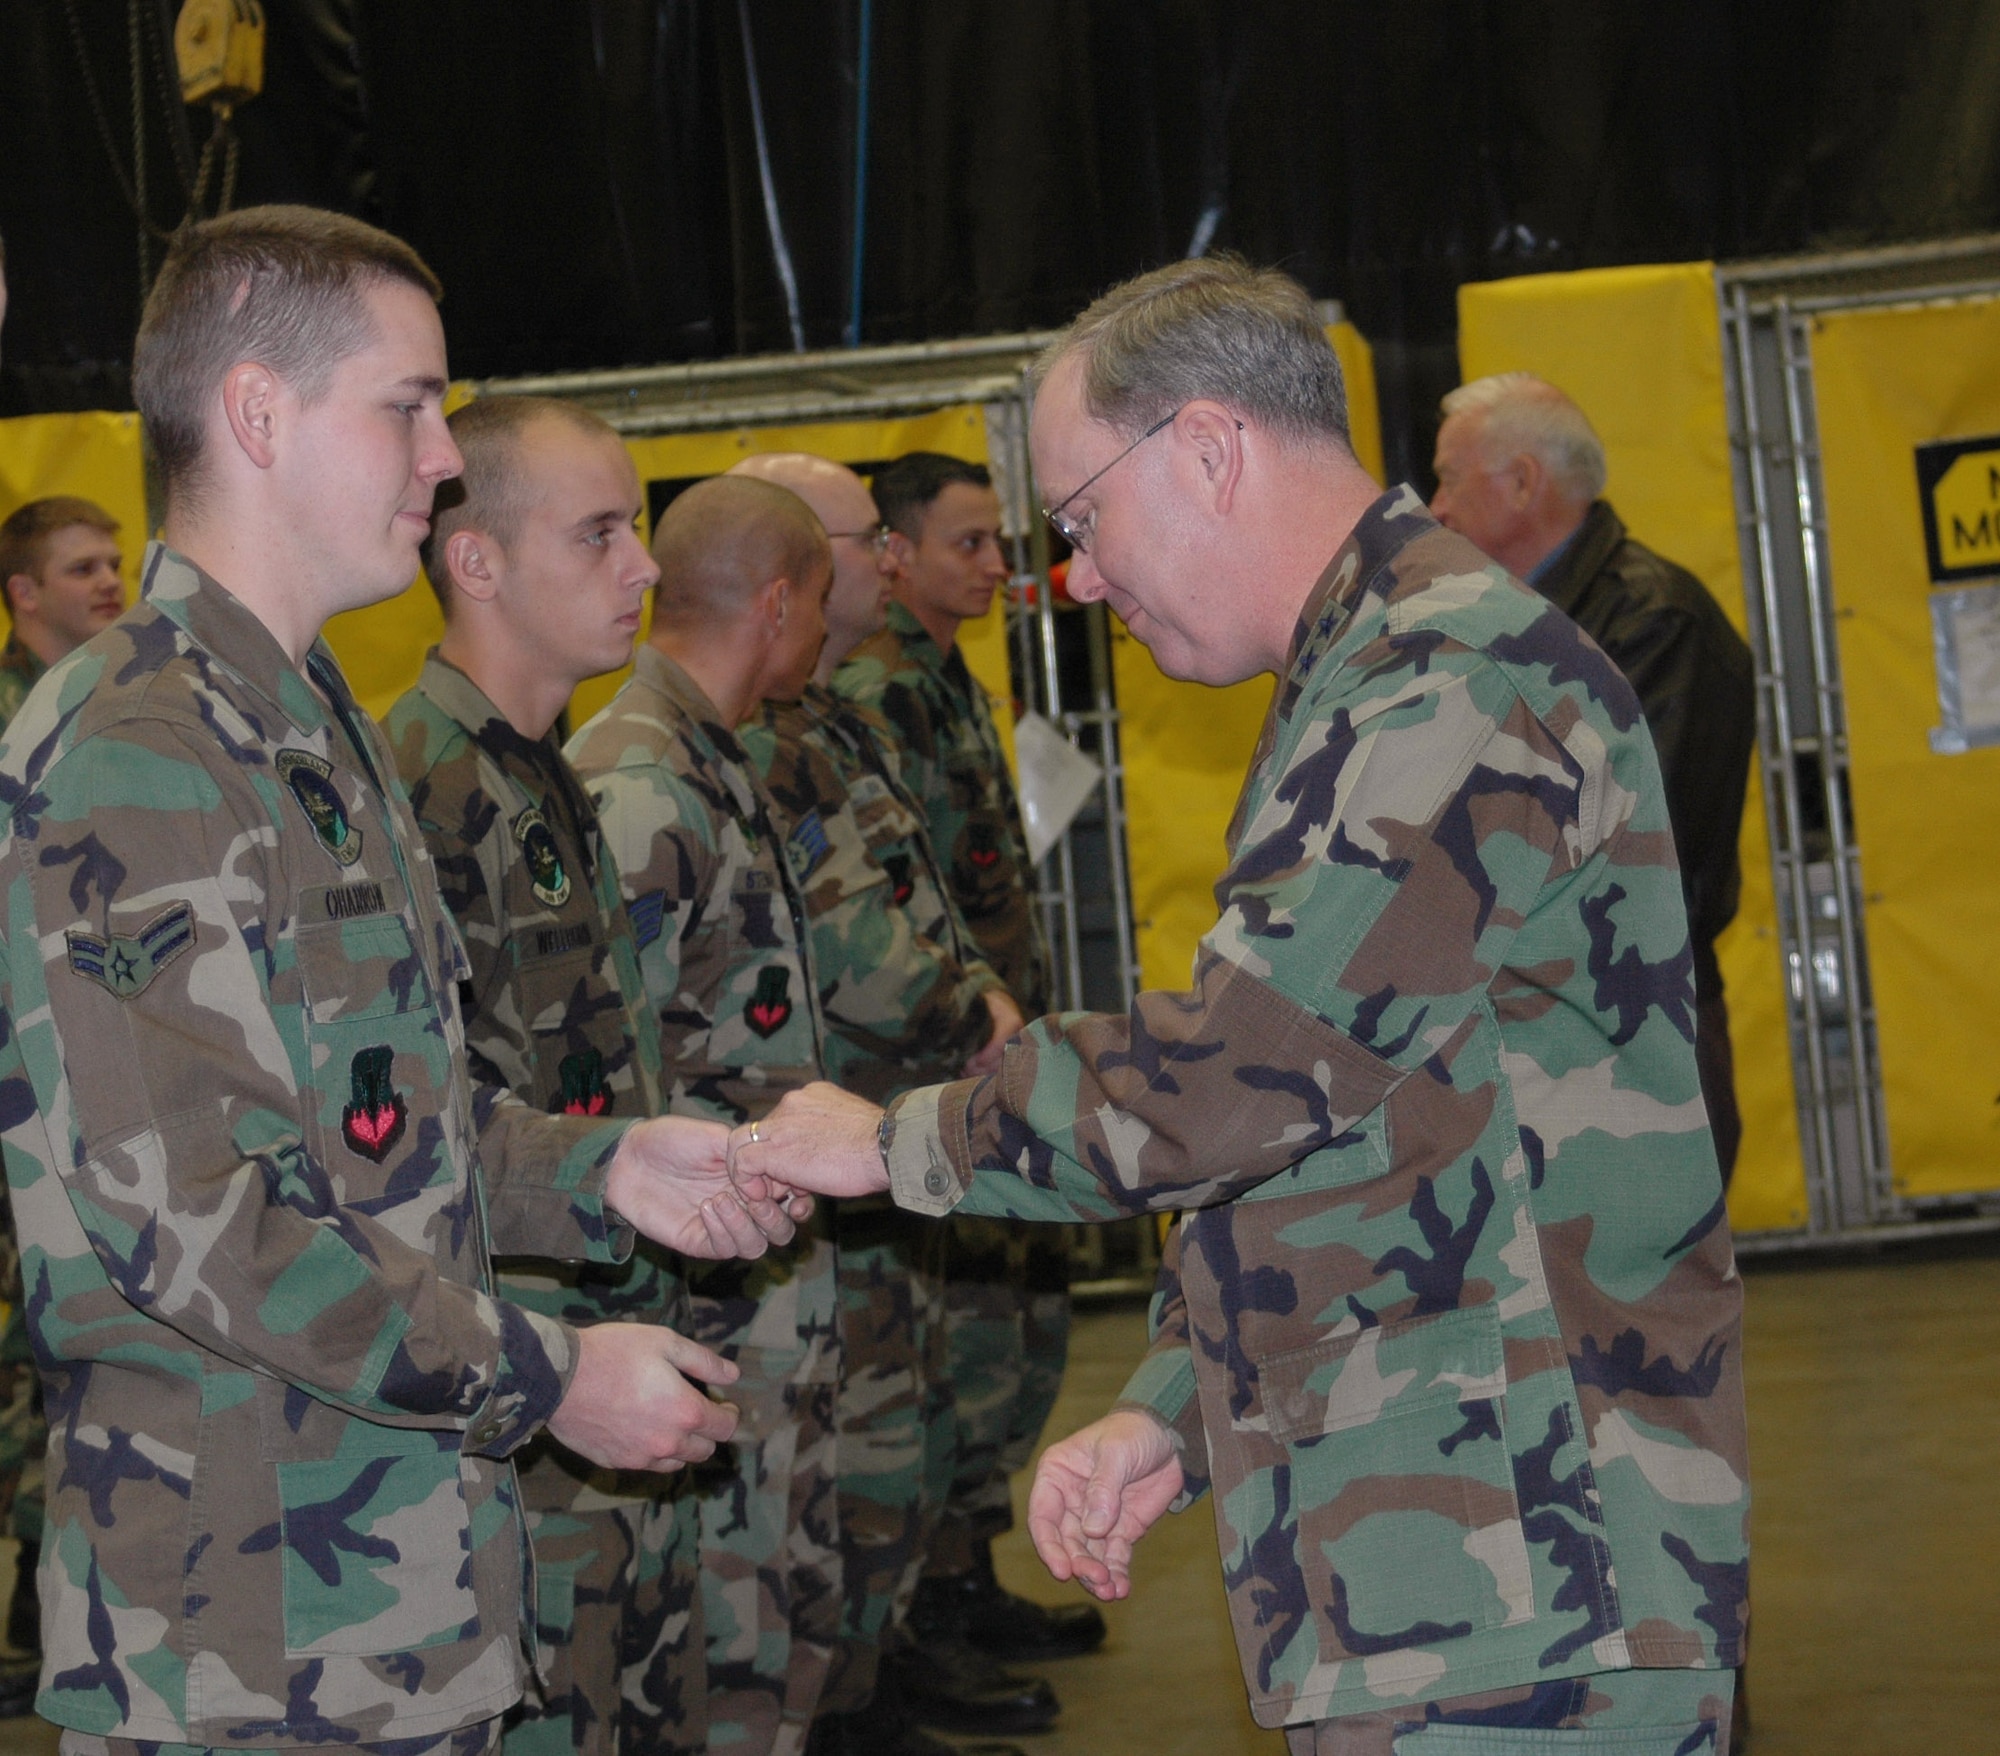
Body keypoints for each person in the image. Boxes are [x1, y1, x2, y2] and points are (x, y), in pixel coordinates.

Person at [732, 255, 1750, 1756]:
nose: (1074, 575)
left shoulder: (1444, 675)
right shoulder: (1372, 666)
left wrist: (895, 1141)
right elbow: (1366, 1131)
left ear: (1206, 450)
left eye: (1081, 516)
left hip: (1534, 1590)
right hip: (1455, 1558)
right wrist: (1171, 1406)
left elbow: (1244, 1072)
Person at [0, 205, 800, 1756]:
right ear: (256, 411)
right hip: (251, 1647)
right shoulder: (136, 751)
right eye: (409, 403)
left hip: (398, 1611)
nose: (443, 457)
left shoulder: (300, 719)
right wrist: (550, 1374)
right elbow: (204, 1220)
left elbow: (389, 1127)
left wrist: (609, 1168)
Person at [384, 394, 711, 1756]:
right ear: (479, 560)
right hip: (516, 1395)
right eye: (600, 533)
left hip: (609, 1343)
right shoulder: (420, 786)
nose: (643, 566)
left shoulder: (538, 773)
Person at [729, 454, 1041, 1756]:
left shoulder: (828, 715)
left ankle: (896, 1660)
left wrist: (978, 1000)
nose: (894, 563)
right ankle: (860, 1694)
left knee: (904, 1419)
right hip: (839, 1128)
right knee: (852, 1443)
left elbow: (922, 891)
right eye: (874, 541)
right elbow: (845, 938)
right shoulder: (751, 725)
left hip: (903, 1111)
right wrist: (972, 1012)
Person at [567, 475, 841, 1756]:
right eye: (825, 600)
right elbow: (592, 1077)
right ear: (777, 603)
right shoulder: (636, 778)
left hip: (758, 1283)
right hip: (697, 1299)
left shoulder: (709, 757)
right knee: (719, 1652)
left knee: (776, 1626)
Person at [834, 455, 1097, 1673]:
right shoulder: (878, 687)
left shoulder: (939, 678)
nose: (998, 566)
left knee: (1016, 1320)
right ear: (889, 551)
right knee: (969, 1328)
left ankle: (964, 1564)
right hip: (941, 1054)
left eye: (1000, 542)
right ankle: (936, 1587)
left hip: (990, 1037)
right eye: (968, 545)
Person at [1428, 373, 1756, 1183]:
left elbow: (1619, 857)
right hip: (1547, 1034)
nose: (1433, 507)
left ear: (1522, 483)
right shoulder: (1510, 626)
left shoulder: (1651, 622)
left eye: (1447, 476)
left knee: (1636, 1305)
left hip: (1629, 1042)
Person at [0, 498, 126, 724]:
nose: (112, 582)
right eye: (83, 569)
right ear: (24, 593)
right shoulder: (8, 709)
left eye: (115, 566)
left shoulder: (136, 689)